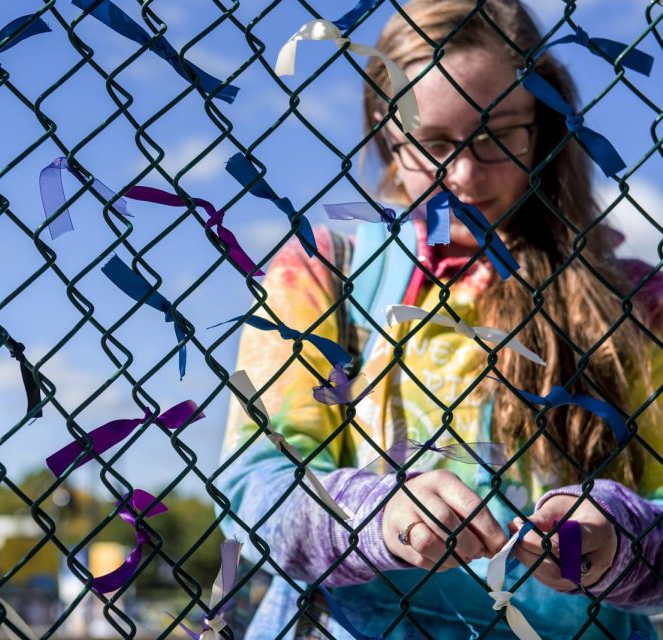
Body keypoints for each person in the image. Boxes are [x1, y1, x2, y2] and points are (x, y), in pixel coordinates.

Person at [218, 1, 662, 638]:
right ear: (385, 134)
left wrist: (620, 538)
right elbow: (254, 494)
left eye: (498, 133)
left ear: (543, 124)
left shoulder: (638, 301)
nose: (465, 174)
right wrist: (376, 514)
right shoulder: (322, 271)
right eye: (432, 143)